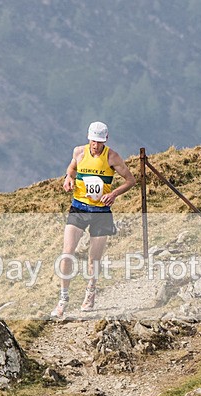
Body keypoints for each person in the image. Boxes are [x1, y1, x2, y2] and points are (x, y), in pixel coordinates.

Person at [51, 121, 137, 318]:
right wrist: (68, 178)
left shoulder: (112, 157)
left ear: (105, 140)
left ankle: (90, 292)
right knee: (67, 253)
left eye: (98, 142)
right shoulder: (79, 152)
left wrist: (114, 194)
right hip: (79, 208)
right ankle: (63, 299)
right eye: (92, 141)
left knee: (93, 259)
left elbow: (131, 180)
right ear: (88, 138)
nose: (95, 146)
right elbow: (71, 169)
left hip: (101, 213)